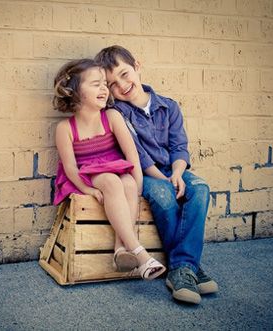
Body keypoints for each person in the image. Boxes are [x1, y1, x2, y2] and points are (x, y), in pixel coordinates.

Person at [95, 45, 218, 304]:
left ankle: (183, 266)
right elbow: (138, 155)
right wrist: (165, 180)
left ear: (137, 66)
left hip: (175, 170)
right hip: (146, 173)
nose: (123, 85)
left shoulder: (169, 106)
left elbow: (179, 146)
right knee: (163, 193)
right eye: (113, 84)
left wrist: (177, 173)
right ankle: (187, 267)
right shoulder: (118, 113)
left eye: (125, 74)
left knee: (201, 189)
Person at [52, 58, 166, 280]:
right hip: (86, 175)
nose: (104, 88)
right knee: (113, 182)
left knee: (128, 183)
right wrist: (89, 191)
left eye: (105, 83)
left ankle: (120, 250)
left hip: (115, 169)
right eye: (96, 84)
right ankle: (140, 253)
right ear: (75, 92)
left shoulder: (112, 117)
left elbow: (132, 155)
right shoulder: (65, 128)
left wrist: (139, 187)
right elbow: (71, 168)